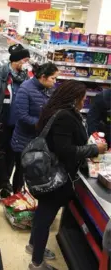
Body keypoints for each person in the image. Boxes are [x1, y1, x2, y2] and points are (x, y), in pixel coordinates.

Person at [27, 80, 107, 270]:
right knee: (46, 217)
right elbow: (65, 150)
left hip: (49, 172)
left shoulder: (55, 110)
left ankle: (33, 246)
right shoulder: (64, 116)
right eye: (83, 98)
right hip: (56, 177)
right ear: (74, 99)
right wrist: (94, 148)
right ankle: (37, 263)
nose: (84, 101)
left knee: (42, 215)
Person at [0, 43, 30, 198]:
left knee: (11, 157)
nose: (26, 64)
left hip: (18, 126)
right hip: (1, 123)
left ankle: (5, 188)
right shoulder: (0, 77)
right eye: (24, 60)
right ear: (16, 60)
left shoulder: (25, 78)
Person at [10, 62, 58, 194]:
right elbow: (21, 115)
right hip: (23, 140)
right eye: (53, 78)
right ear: (43, 77)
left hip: (40, 140)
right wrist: (40, 124)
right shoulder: (25, 89)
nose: (55, 81)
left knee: (36, 173)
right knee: (21, 172)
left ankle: (31, 200)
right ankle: (17, 197)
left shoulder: (49, 89)